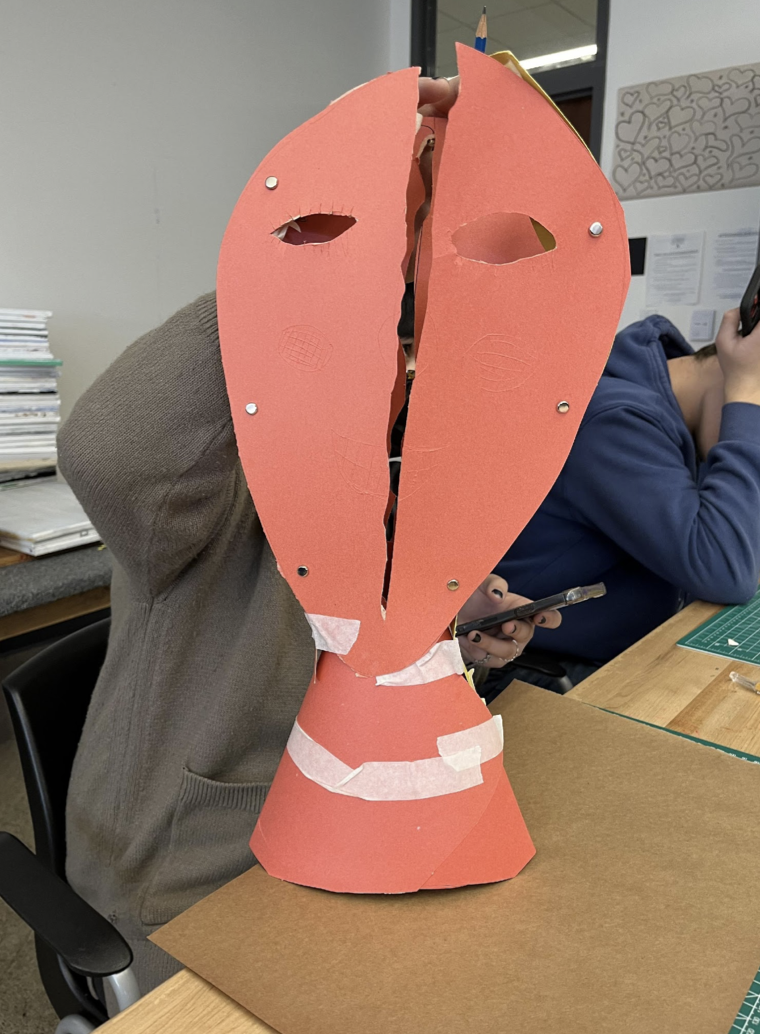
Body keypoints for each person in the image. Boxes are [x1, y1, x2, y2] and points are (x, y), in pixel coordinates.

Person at [58, 76, 559, 995]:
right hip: (192, 878)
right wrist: (314, 241)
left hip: (370, 841)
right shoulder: (212, 491)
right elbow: (106, 451)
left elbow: (365, 653)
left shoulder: (401, 461)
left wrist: (461, 628)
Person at [489, 308, 760, 696]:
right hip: (535, 667)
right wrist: (746, 401)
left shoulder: (670, 407)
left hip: (615, 649)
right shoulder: (616, 419)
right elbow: (725, 570)